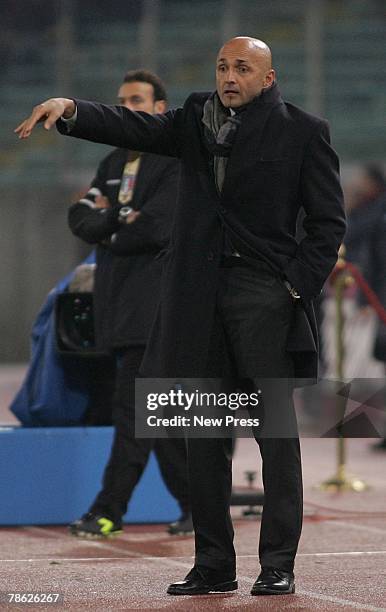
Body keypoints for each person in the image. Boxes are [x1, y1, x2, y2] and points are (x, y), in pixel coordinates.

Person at [16, 36, 346, 597]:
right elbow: (134, 127)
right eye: (222, 66)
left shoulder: (304, 130)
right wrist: (72, 109)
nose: (228, 75)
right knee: (201, 435)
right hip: (198, 300)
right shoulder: (194, 117)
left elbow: (327, 225)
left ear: (268, 78)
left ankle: (277, 563)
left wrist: (293, 286)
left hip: (263, 297)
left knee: (276, 436)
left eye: (242, 67)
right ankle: (214, 564)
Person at [66, 70, 192, 537]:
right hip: (118, 305)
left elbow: (157, 228)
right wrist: (120, 218)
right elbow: (79, 220)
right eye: (121, 101)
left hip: (155, 308)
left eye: (136, 99)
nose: (126, 108)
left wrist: (108, 225)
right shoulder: (113, 161)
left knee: (133, 410)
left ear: (161, 108)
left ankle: (108, 511)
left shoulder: (176, 161)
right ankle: (198, 505)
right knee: (160, 414)